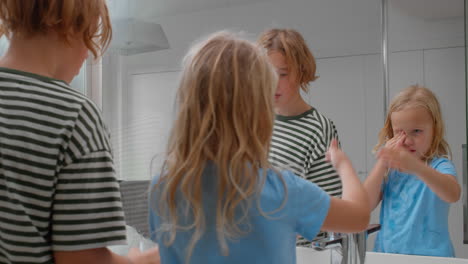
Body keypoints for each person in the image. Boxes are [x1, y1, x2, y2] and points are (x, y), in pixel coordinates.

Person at [148, 31, 370, 264]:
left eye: (282, 74)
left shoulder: (164, 189)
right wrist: (344, 165)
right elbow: (359, 216)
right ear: (260, 113)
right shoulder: (284, 192)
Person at [0, 1, 159, 263]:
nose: (88, 54)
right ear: (62, 20)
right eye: (89, 35)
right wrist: (145, 260)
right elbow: (81, 260)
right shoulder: (74, 117)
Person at [257, 28, 342, 245]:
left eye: (282, 74)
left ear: (301, 72)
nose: (273, 82)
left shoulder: (319, 128)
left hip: (300, 253)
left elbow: (330, 208)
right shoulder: (254, 122)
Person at [364, 85, 461, 257]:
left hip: (431, 259)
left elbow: (453, 194)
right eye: (399, 132)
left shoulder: (439, 166)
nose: (407, 140)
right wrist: (381, 164)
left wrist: (416, 166)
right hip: (388, 256)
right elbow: (364, 205)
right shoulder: (390, 170)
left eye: (416, 131)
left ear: (435, 130)